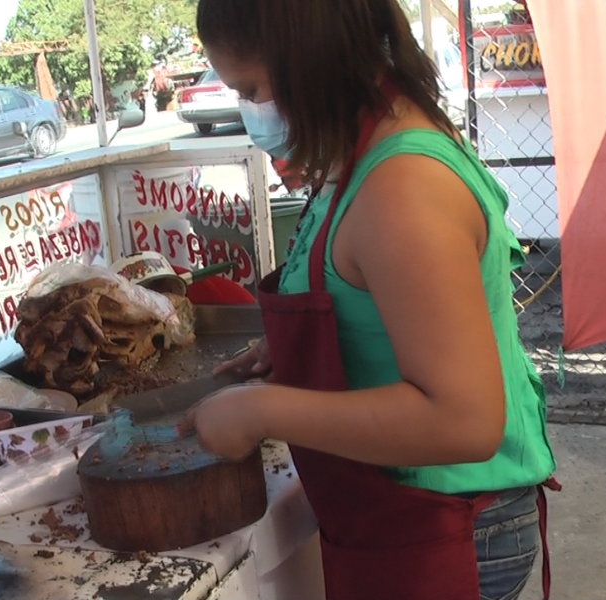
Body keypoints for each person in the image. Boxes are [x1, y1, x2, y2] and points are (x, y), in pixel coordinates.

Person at [180, 2, 558, 600]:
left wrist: (260, 410)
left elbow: (463, 421)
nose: (250, 111)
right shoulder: (369, 143)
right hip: (406, 519)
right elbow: (384, 300)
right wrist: (302, 348)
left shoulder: (403, 183)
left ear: (308, 60)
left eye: (251, 88)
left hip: (447, 526)